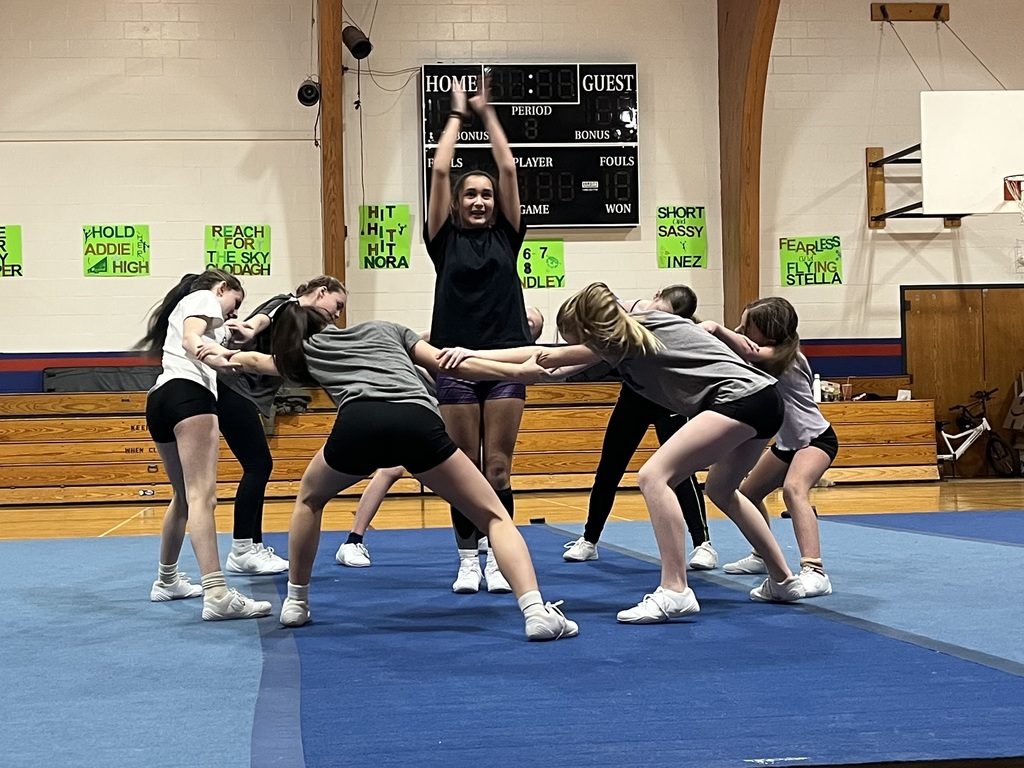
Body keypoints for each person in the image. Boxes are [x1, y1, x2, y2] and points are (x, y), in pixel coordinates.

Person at [436, 282, 810, 623]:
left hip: (738, 399)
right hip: (765, 400)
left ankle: (675, 589)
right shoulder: (629, 335)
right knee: (722, 490)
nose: (574, 349)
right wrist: (472, 355)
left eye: (574, 340)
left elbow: (540, 362)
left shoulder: (634, 331)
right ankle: (782, 579)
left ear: (591, 332)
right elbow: (543, 363)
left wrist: (469, 356)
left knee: (653, 476)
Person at [225, 305, 578, 641]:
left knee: (309, 500)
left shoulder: (304, 353)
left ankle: (297, 603)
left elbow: (252, 361)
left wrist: (206, 348)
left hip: (359, 424)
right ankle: (535, 612)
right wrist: (517, 372)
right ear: (328, 321)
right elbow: (449, 363)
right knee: (493, 516)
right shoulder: (386, 328)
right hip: (416, 423)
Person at [425, 77, 532, 596]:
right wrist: (455, 116)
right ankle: (468, 558)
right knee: (465, 467)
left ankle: (494, 553)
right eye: (472, 194)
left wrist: (488, 115)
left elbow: (509, 168)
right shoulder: (441, 241)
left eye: (486, 195)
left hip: (507, 361)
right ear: (457, 202)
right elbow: (441, 168)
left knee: (498, 466)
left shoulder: (507, 236)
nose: (481, 200)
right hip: (456, 364)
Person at [335, 307, 546, 571]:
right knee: (397, 467)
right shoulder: (460, 330)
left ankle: (489, 538)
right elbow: (415, 340)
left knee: (491, 469)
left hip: (449, 392)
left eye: (531, 321)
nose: (525, 317)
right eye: (524, 314)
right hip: (428, 391)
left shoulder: (515, 353)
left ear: (530, 335)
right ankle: (354, 540)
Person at [138, 268, 272, 621]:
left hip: (160, 399)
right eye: (235, 302)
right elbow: (191, 340)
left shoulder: (192, 308)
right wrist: (217, 360)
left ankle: (166, 580)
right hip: (189, 396)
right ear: (222, 288)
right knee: (202, 496)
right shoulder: (204, 298)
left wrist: (226, 348)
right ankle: (216, 593)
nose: (233, 311)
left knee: (183, 495)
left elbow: (196, 337)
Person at [561, 285, 716, 570]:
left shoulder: (681, 327)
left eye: (671, 318)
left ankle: (703, 544)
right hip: (634, 397)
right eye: (661, 312)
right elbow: (595, 345)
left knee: (681, 472)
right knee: (609, 469)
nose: (662, 319)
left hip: (668, 399)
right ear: (656, 295)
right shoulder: (626, 310)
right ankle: (589, 540)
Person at [700, 297, 837, 597]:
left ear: (769, 332)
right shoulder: (759, 356)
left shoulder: (788, 357)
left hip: (816, 440)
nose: (739, 329)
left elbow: (751, 350)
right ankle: (763, 555)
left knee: (794, 489)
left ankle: (815, 570)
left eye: (747, 325)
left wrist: (716, 328)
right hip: (787, 446)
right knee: (748, 493)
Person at [216, 276, 348, 576]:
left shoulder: (310, 326)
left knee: (259, 465)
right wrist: (247, 328)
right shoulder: (287, 303)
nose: (337, 313)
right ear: (321, 292)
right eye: (337, 304)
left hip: (244, 393)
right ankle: (243, 549)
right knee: (258, 465)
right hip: (233, 387)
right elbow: (261, 320)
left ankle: (251, 546)